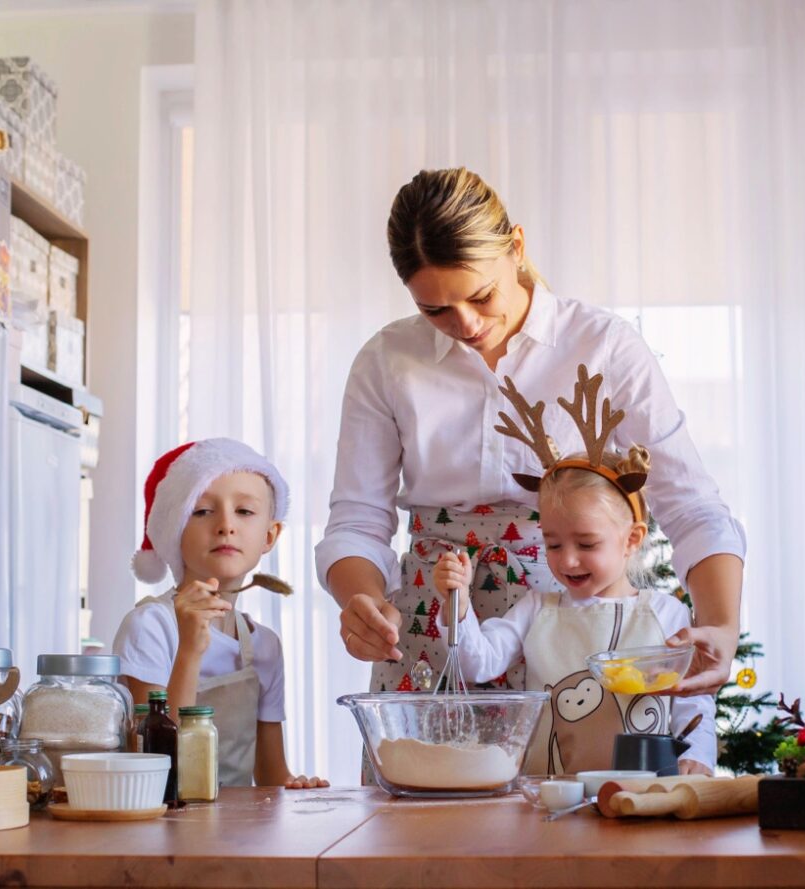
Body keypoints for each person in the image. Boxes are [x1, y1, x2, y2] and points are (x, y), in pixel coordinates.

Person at [317, 167, 746, 715]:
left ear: (516, 247)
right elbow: (357, 519)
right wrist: (363, 600)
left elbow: (690, 505)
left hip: (571, 632)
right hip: (433, 630)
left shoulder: (602, 345)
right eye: (435, 309)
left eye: (480, 295)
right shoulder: (387, 360)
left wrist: (721, 626)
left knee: (566, 787)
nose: (466, 323)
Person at [432, 367, 714, 775]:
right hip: (550, 797)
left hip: (647, 795)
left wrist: (696, 756)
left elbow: (691, 700)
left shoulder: (666, 614)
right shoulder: (536, 609)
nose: (567, 560)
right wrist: (456, 608)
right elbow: (480, 663)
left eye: (587, 544)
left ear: (632, 539)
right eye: (552, 544)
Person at [114, 438, 327, 789]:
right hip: (162, 827)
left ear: (270, 535)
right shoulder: (150, 627)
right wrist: (189, 649)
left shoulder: (266, 646)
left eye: (244, 511)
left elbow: (272, 776)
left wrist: (298, 786)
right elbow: (153, 764)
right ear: (175, 529)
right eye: (201, 511)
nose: (226, 525)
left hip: (236, 836)